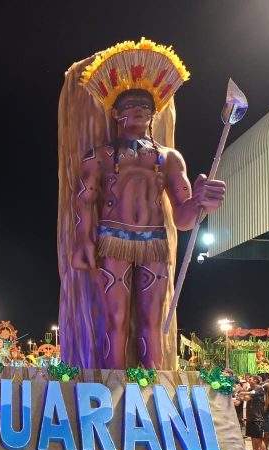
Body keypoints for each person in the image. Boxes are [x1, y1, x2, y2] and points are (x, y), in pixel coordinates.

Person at [66, 38, 226, 369]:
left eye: (145, 106)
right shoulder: (98, 157)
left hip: (154, 243)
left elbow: (182, 218)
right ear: (115, 113)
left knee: (152, 324)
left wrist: (200, 203)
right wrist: (82, 243)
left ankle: (152, 389)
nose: (138, 111)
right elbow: (83, 203)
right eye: (130, 106)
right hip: (113, 241)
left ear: (154, 114)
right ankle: (112, 384)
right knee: (116, 320)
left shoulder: (168, 159)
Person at [241, 375, 269, 450]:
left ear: (256, 381)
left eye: (251, 379)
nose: (249, 380)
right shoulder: (249, 390)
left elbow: (251, 394)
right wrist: (246, 394)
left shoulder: (259, 389)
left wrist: (242, 392)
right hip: (251, 417)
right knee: (253, 439)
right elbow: (247, 398)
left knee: (259, 439)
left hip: (258, 418)